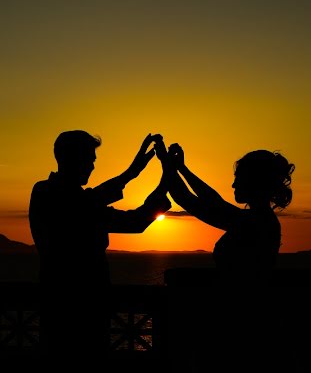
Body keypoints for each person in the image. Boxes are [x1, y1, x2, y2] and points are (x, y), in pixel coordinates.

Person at [28, 130, 171, 363]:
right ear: (74, 159)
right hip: (76, 305)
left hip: (69, 301)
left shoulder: (56, 195)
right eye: (90, 159)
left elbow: (127, 218)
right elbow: (127, 219)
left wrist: (139, 174)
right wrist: (149, 174)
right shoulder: (51, 194)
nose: (93, 166)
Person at [156, 139, 294, 370]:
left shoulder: (251, 222)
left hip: (239, 321)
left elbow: (188, 199)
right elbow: (213, 200)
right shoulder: (258, 219)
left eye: (238, 178)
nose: (233, 185)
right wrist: (181, 168)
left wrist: (168, 165)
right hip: (247, 318)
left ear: (253, 182)